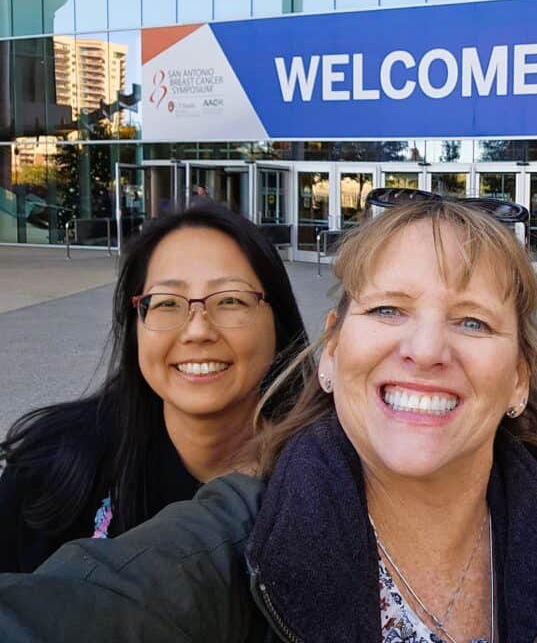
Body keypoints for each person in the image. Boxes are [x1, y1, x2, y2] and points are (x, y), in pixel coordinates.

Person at [0, 198, 537, 643]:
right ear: (330, 352)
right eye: (386, 310)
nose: (427, 349)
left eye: (471, 320)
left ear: (519, 378)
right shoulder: (231, 547)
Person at [0, 204, 308, 572]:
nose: (197, 331)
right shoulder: (53, 469)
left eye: (230, 300)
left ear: (279, 323)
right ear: (135, 328)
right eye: (166, 303)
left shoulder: (326, 480)